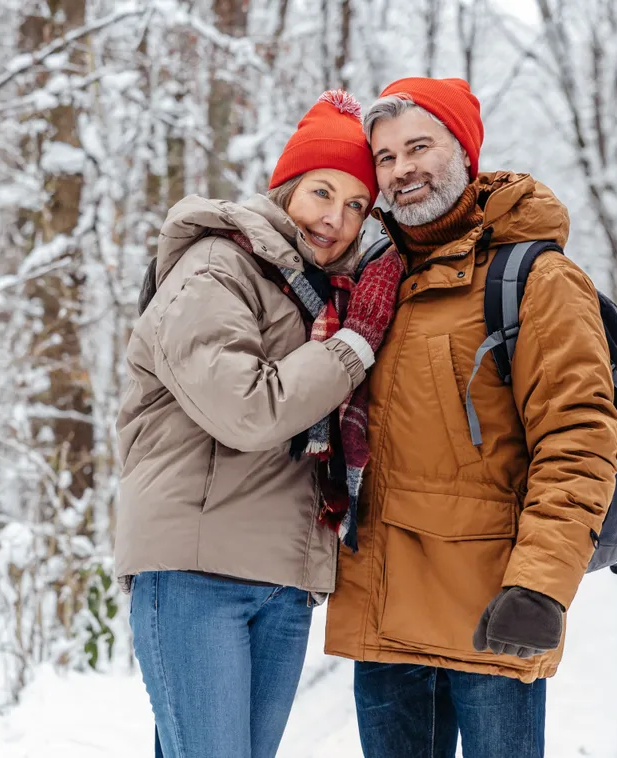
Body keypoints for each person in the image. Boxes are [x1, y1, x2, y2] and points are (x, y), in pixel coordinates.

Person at [322, 77, 617, 758]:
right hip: (383, 610)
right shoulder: (373, 282)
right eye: (386, 157)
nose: (402, 170)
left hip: (491, 614)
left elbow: (576, 439)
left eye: (418, 146)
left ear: (463, 150)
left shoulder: (535, 280)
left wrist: (540, 586)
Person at [114, 90, 404, 758]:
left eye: (356, 205)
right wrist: (353, 345)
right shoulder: (217, 266)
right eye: (321, 193)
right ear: (284, 187)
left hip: (281, 580)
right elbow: (246, 409)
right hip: (197, 573)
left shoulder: (318, 289)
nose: (336, 218)